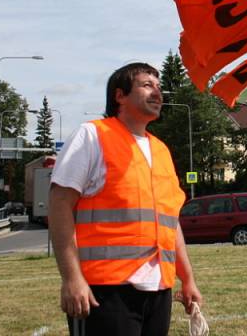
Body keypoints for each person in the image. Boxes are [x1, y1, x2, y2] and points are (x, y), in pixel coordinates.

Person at [49, 63, 202, 336]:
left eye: (159, 87)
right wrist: (72, 279)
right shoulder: (93, 135)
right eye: (147, 85)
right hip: (104, 291)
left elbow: (170, 222)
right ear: (120, 96)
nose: (158, 92)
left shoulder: (162, 150)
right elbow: (59, 204)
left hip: (159, 291)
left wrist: (187, 278)